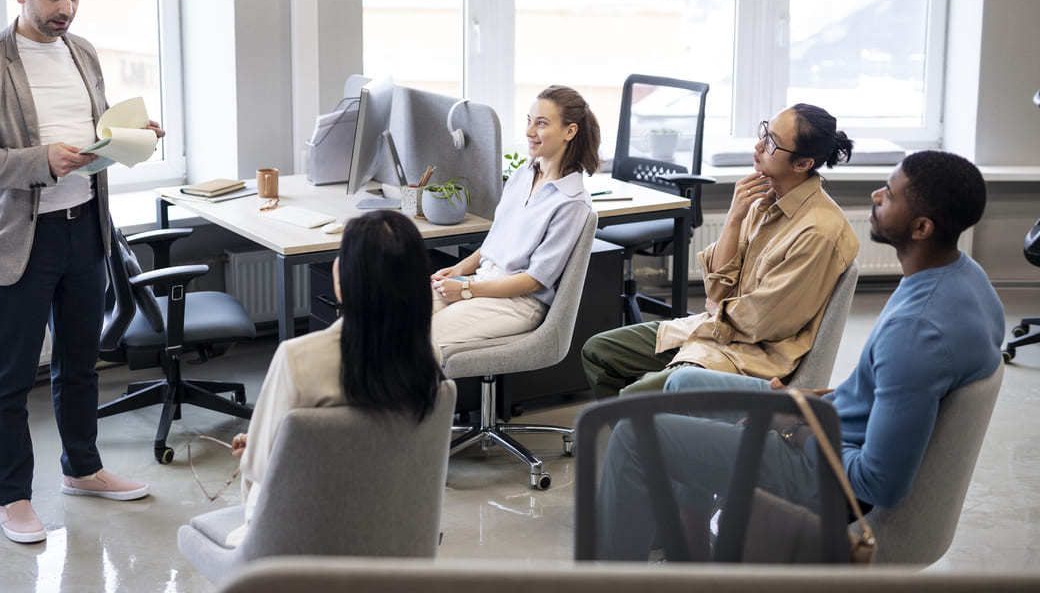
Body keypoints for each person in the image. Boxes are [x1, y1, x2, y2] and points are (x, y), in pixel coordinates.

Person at [597, 151, 1005, 560]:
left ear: (921, 227)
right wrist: (815, 403)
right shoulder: (965, 277)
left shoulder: (918, 331)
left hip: (826, 478)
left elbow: (878, 483)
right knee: (684, 383)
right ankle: (696, 552)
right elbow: (883, 389)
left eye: (891, 194)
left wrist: (797, 430)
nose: (877, 194)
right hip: (830, 429)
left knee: (634, 435)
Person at [0, 0, 164, 543]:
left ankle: (82, 468)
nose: (66, 8)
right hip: (23, 239)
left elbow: (92, 134)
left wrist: (129, 136)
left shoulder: (84, 52)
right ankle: (12, 496)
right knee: (11, 377)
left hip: (86, 228)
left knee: (80, 363)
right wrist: (41, 160)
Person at [582, 104, 859, 396]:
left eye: (772, 143)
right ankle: (639, 436)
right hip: (718, 331)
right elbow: (716, 292)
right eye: (764, 132)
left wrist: (719, 309)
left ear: (802, 164)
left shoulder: (819, 231)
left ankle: (646, 433)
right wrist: (734, 217)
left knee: (633, 397)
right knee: (598, 352)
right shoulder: (763, 201)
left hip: (751, 356)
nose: (758, 145)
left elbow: (762, 322)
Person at [225, 209, 444, 545]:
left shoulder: (298, 358)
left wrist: (257, 444)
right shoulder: (430, 358)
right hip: (394, 529)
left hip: (304, 536)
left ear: (345, 276)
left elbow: (260, 471)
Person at [429, 85, 598, 357]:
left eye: (541, 123)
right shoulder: (522, 175)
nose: (530, 131)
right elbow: (496, 241)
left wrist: (467, 290)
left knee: (419, 339)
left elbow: (533, 281)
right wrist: (459, 270)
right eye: (529, 121)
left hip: (517, 303)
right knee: (398, 317)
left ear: (570, 131)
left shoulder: (572, 202)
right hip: (483, 281)